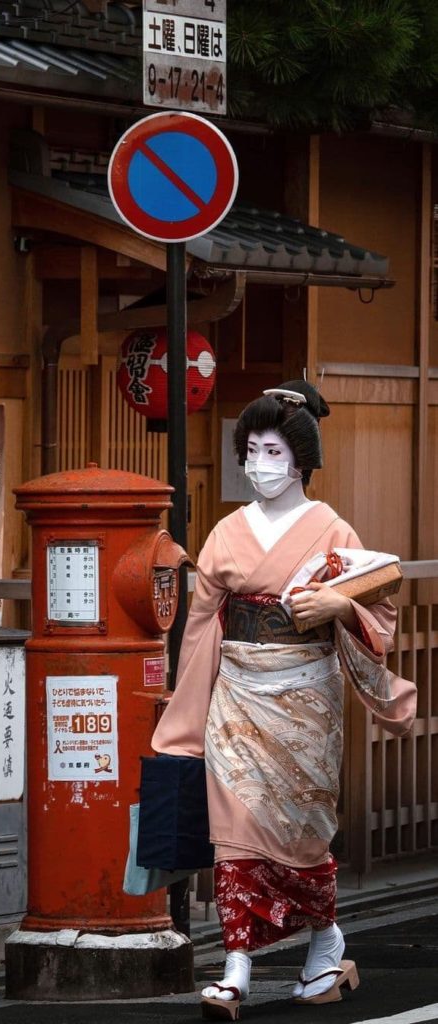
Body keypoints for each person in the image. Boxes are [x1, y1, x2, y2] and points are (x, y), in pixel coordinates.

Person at [151, 381, 416, 1022]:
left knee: (301, 833)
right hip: (237, 695)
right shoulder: (226, 531)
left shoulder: (332, 529)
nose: (258, 465)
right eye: (250, 451)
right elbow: (202, 626)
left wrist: (339, 604)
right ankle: (236, 966)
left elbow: (379, 608)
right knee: (235, 830)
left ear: (301, 460)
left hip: (306, 701)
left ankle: (326, 943)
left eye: (272, 452)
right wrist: (187, 709)